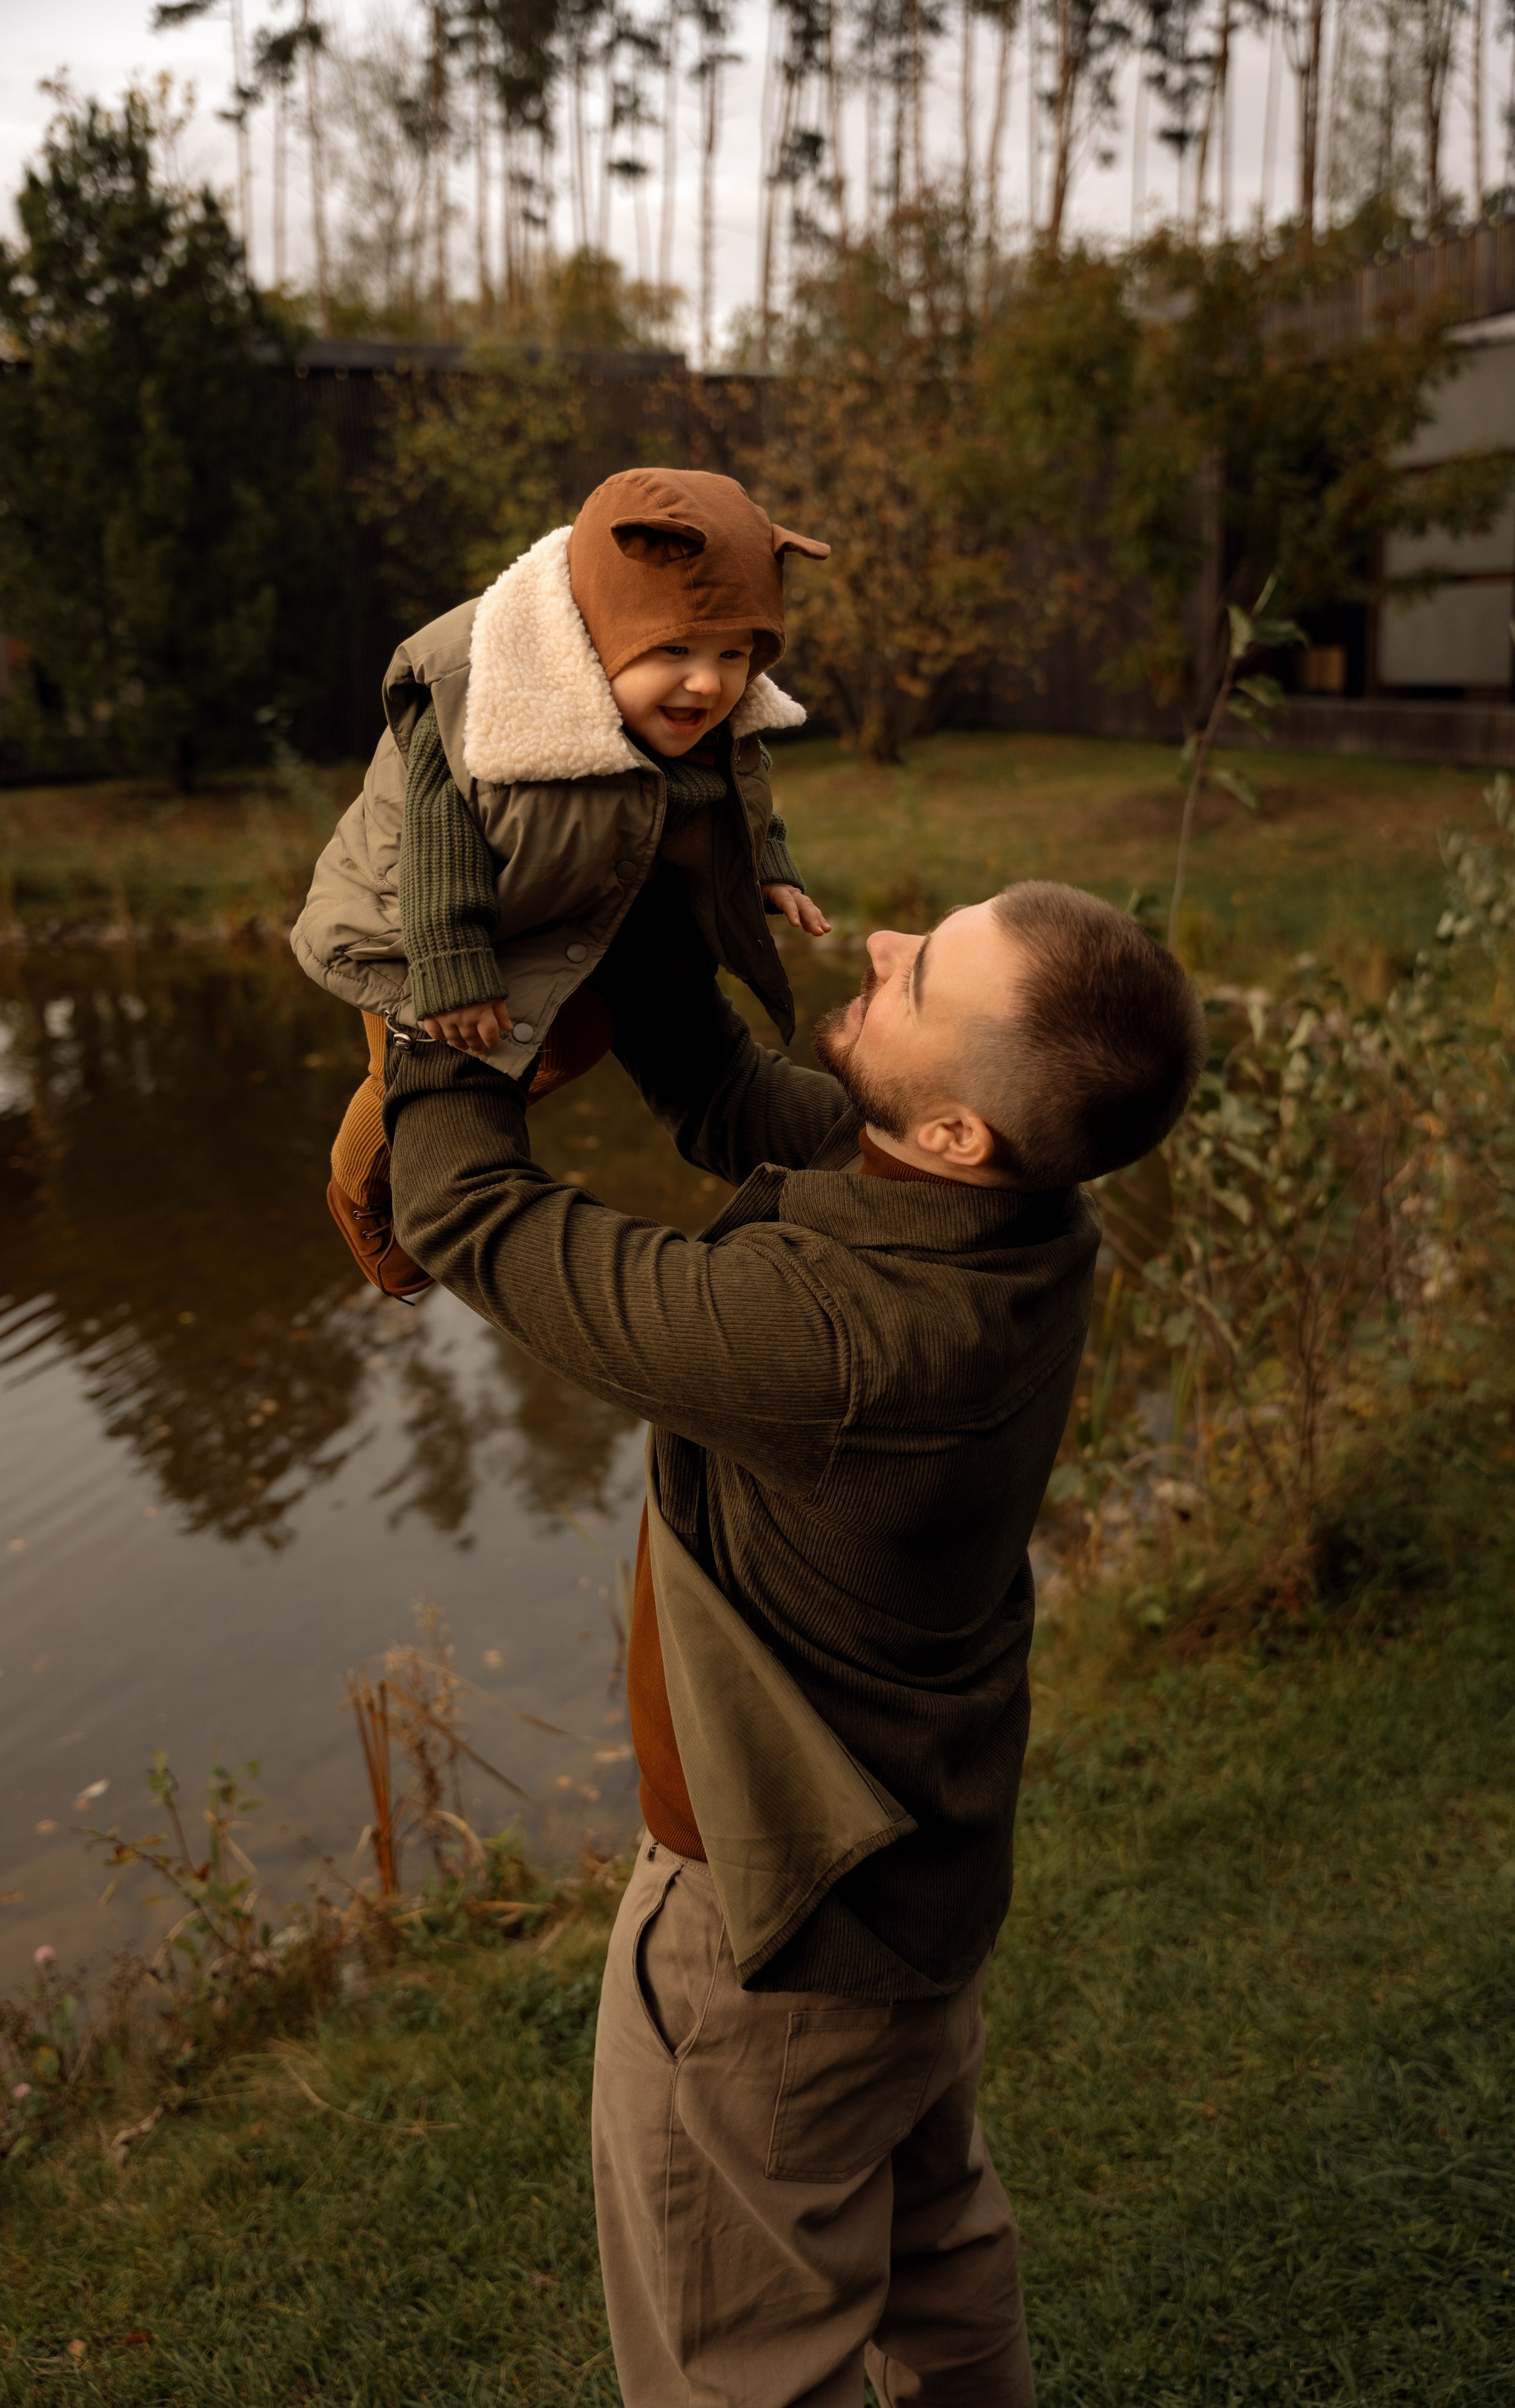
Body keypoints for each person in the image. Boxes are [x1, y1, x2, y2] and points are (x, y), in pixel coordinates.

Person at [380, 866, 1206, 2404]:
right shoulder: (1020, 1209)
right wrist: (628, 891)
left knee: (742, 2357)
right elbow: (717, 1099)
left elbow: (465, 1209)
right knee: (934, 2260)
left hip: (771, 1922)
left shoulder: (831, 1342)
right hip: (916, 1878)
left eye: (915, 979)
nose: (885, 941)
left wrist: (436, 1010)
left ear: (957, 1129)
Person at [291, 466, 832, 1301]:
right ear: (600, 627)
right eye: (677, 652)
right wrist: (454, 962)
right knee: (434, 1067)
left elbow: (738, 785)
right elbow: (438, 837)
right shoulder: (481, 689)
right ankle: (361, 1184)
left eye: (734, 655)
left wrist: (769, 866)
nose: (709, 682)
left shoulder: (705, 714)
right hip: (416, 924)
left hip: (544, 899)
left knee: (578, 1036)